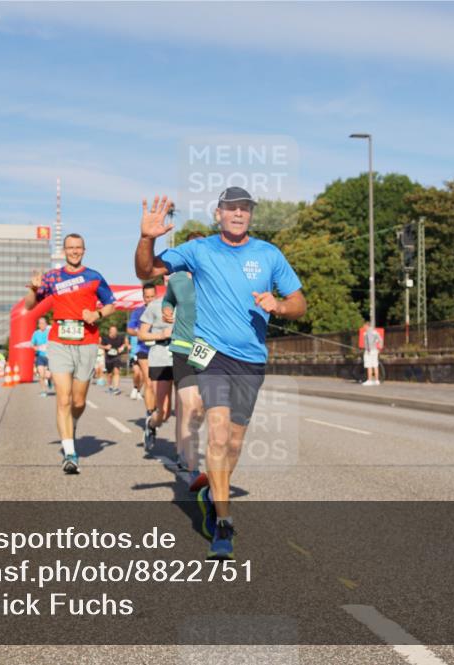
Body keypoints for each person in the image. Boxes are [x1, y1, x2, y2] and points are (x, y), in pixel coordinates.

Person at [135, 187, 307, 559]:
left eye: (244, 209)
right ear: (218, 215)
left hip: (251, 359)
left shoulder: (269, 254)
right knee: (215, 432)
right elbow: (146, 270)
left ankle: (212, 491)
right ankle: (223, 522)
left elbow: (299, 302)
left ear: (251, 215)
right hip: (209, 353)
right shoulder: (199, 250)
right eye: (231, 209)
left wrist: (279, 305)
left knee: (233, 442)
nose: (238, 214)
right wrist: (146, 239)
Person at [25, 233, 116, 475]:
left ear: (84, 250)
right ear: (64, 250)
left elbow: (110, 304)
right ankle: (70, 453)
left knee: (78, 401)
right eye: (70, 248)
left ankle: (73, 423)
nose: (74, 251)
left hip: (87, 341)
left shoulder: (94, 277)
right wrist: (34, 289)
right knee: (63, 398)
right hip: (59, 341)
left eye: (78, 248)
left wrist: (97, 315)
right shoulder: (52, 277)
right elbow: (29, 305)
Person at [162, 231, 209, 492]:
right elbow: (168, 301)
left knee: (199, 408)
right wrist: (167, 310)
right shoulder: (176, 277)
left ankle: (184, 446)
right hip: (181, 345)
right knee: (190, 405)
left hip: (207, 348)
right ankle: (192, 469)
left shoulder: (214, 277)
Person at [139, 284, 175, 452]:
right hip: (160, 359)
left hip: (184, 359)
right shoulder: (155, 306)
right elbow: (142, 334)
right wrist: (161, 335)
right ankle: (151, 424)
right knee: (164, 412)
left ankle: (183, 453)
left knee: (187, 408)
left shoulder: (191, 305)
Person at [127, 284, 159, 433]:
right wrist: (139, 333)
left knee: (159, 384)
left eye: (152, 296)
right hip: (143, 349)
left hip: (160, 349)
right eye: (147, 297)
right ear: (143, 297)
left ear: (156, 295)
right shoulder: (138, 311)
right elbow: (129, 329)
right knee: (149, 381)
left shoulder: (163, 309)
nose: (150, 299)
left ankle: (157, 409)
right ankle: (149, 413)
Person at [99, 325, 128, 395]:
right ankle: (110, 387)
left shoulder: (120, 338)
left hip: (117, 357)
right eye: (113, 331)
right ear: (110, 332)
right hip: (108, 358)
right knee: (109, 374)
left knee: (116, 371)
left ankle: (116, 388)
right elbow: (98, 345)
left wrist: (122, 347)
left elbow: (126, 343)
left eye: (115, 331)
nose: (114, 332)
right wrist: (105, 347)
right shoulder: (105, 338)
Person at [31, 317, 51, 395]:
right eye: (40, 323)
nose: (42, 325)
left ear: (46, 324)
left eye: (43, 323)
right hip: (40, 357)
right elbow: (32, 343)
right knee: (41, 374)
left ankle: (49, 380)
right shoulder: (36, 333)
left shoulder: (49, 331)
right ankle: (43, 390)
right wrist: (34, 347)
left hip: (49, 356)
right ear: (38, 325)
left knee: (48, 375)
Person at [358, 321, 383, 386]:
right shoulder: (375, 332)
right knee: (375, 365)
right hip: (375, 350)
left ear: (367, 326)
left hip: (369, 351)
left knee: (369, 365)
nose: (363, 327)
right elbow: (380, 340)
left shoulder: (368, 332)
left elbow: (369, 341)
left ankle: (370, 380)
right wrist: (379, 348)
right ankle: (377, 380)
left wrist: (368, 349)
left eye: (364, 326)